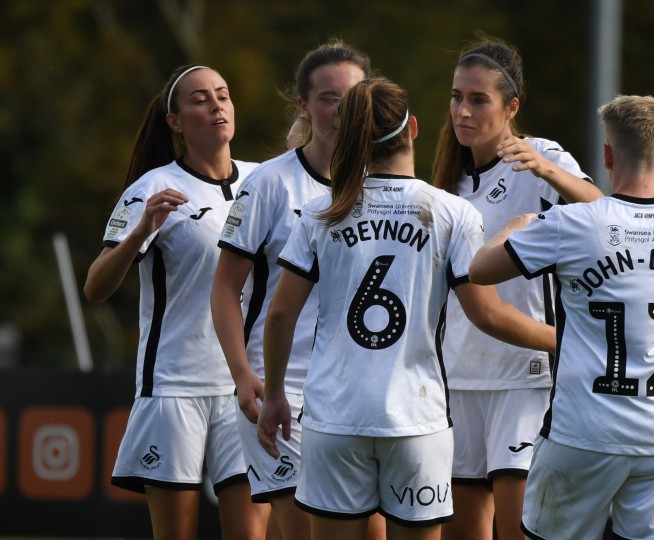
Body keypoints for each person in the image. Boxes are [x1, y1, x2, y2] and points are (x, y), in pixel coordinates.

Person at [256, 77, 556, 540]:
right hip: (418, 421)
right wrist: (566, 341)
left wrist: (275, 395)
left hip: (335, 420)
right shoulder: (453, 212)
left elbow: (279, 316)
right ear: (412, 129)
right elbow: (487, 314)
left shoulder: (320, 212)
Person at [470, 95, 654, 540]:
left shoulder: (573, 223)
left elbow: (479, 270)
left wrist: (511, 230)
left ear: (607, 155)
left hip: (583, 432)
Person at [210, 42, 387, 540]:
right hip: (281, 387)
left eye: (354, 99)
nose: (343, 112)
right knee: (308, 531)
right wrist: (243, 376)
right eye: (329, 99)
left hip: (359, 391)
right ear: (304, 106)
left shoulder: (384, 184)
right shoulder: (269, 183)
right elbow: (224, 289)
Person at [84, 64, 267, 539]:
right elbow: (95, 288)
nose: (216, 106)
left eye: (223, 95)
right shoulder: (152, 189)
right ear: (175, 121)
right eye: (200, 99)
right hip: (174, 387)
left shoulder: (263, 181)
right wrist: (140, 233)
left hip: (245, 387)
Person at [431, 37, 603, 540]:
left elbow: (603, 215)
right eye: (456, 97)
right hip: (457, 376)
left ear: (511, 108)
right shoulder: (448, 180)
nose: (463, 111)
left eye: (478, 99)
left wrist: (547, 169)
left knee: (519, 529)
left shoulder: (539, 157)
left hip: (525, 377)